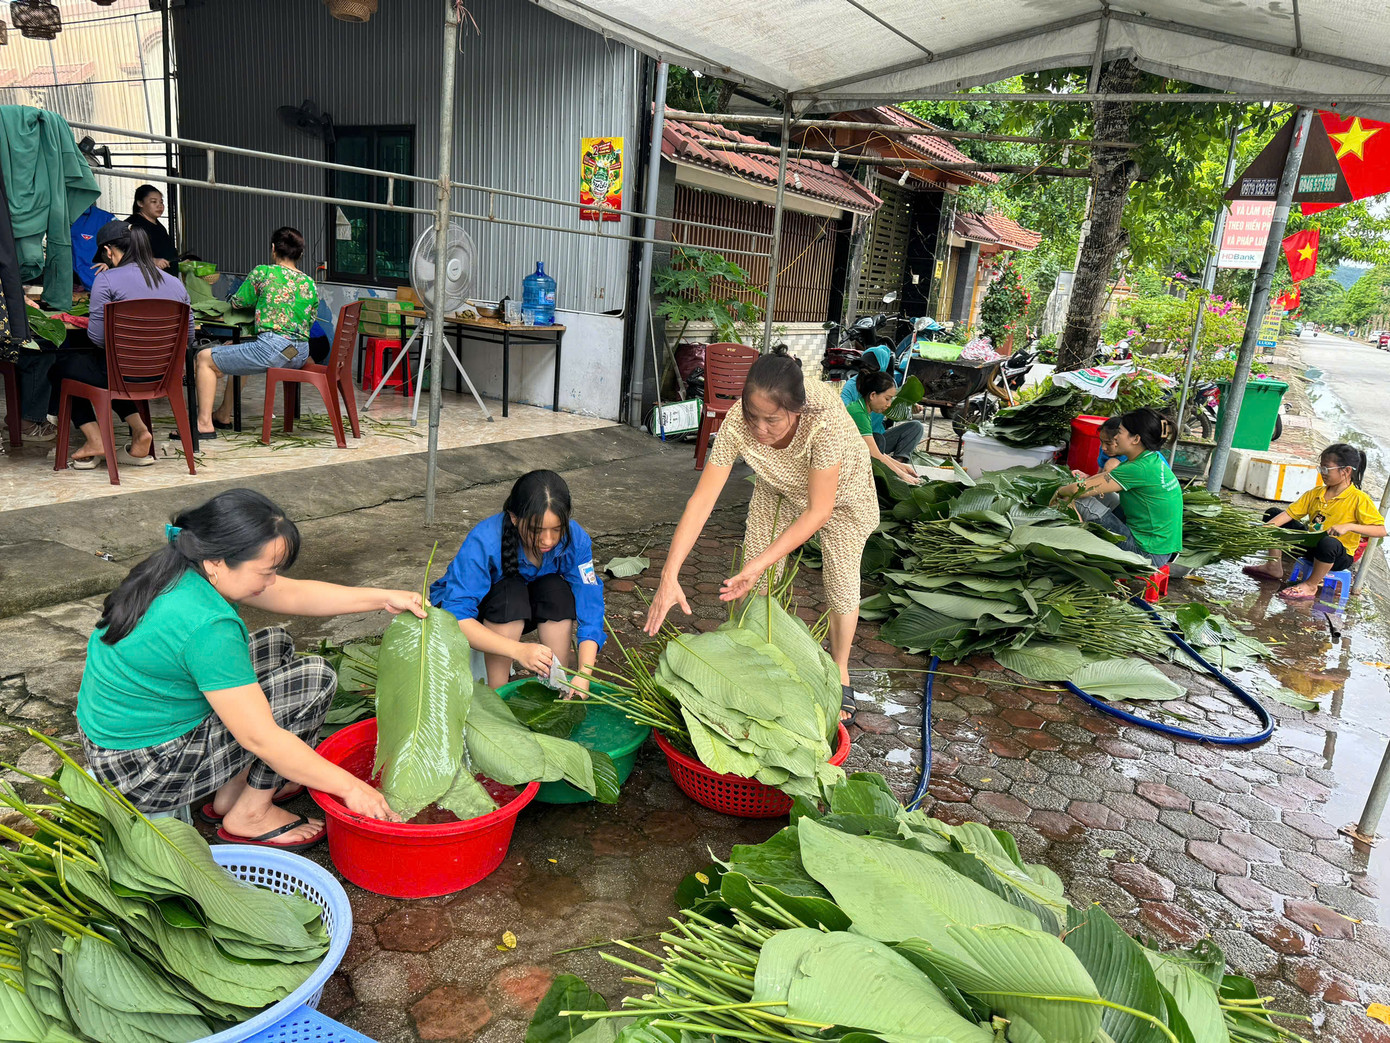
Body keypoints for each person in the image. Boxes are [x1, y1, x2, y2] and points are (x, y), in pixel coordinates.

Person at [75, 489, 424, 849]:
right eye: (267, 571)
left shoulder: (184, 562)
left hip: (124, 736)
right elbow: (260, 737)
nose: (271, 582)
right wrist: (352, 788)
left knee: (277, 645)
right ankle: (251, 813)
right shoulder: (207, 627)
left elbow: (294, 594)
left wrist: (383, 597)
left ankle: (233, 791)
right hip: (145, 770)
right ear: (219, 562)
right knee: (313, 681)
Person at [645, 346, 879, 721]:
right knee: (755, 580)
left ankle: (841, 669)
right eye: (753, 417)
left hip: (840, 495)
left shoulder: (826, 422)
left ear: (796, 411)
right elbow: (701, 501)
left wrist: (758, 563)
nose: (759, 429)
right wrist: (669, 574)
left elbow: (819, 511)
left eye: (771, 420)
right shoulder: (740, 422)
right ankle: (752, 657)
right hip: (778, 482)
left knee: (841, 582)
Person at [431, 470, 604, 694]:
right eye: (536, 531)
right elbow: (457, 618)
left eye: (557, 529)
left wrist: (583, 674)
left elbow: (590, 605)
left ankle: (558, 685)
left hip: (524, 605)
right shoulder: (484, 540)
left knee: (557, 591)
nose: (548, 540)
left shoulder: (575, 540)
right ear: (514, 518)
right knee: (509, 594)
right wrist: (518, 651)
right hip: (477, 616)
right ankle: (498, 694)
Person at [49, 221, 195, 470]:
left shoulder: (106, 280)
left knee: (62, 368)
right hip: (162, 375)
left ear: (108, 251)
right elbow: (188, 339)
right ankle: (140, 432)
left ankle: (96, 440)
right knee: (109, 370)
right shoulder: (176, 284)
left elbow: (97, 338)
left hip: (121, 373)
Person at [194, 227, 317, 438]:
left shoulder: (264, 272)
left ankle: (204, 423)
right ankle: (223, 414)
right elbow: (310, 319)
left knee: (204, 358)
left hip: (272, 350)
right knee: (238, 350)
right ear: (300, 253)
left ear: (273, 249)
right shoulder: (309, 283)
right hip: (297, 354)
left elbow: (240, 302)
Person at [1245, 443, 1386, 599]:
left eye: (1326, 469)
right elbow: (1288, 515)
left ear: (1346, 471)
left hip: (1336, 555)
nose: (1322, 473)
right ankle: (1273, 566)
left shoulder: (1359, 499)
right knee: (1273, 515)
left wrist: (1349, 526)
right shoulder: (1316, 493)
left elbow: (1380, 530)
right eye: (1321, 469)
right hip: (1311, 546)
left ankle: (1311, 585)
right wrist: (1264, 528)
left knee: (1329, 542)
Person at [1050, 407, 1183, 568]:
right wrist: (1086, 480)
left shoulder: (1138, 468)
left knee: (1076, 500)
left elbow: (1078, 489)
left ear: (1135, 439)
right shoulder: (1149, 459)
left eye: (1119, 432)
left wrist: (1059, 491)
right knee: (1102, 496)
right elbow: (1101, 480)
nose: (1115, 437)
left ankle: (1075, 548)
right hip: (1159, 548)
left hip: (1146, 554)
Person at [845, 368, 922, 482]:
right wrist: (902, 475)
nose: (889, 404)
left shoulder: (862, 409)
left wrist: (901, 467)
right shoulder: (858, 413)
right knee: (878, 440)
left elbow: (878, 453)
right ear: (873, 395)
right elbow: (874, 454)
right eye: (887, 399)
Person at [125, 185, 179, 274]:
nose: (160, 206)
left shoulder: (159, 226)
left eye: (161, 202)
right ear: (140, 203)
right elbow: (124, 254)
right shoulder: (132, 225)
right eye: (154, 202)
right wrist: (152, 261)